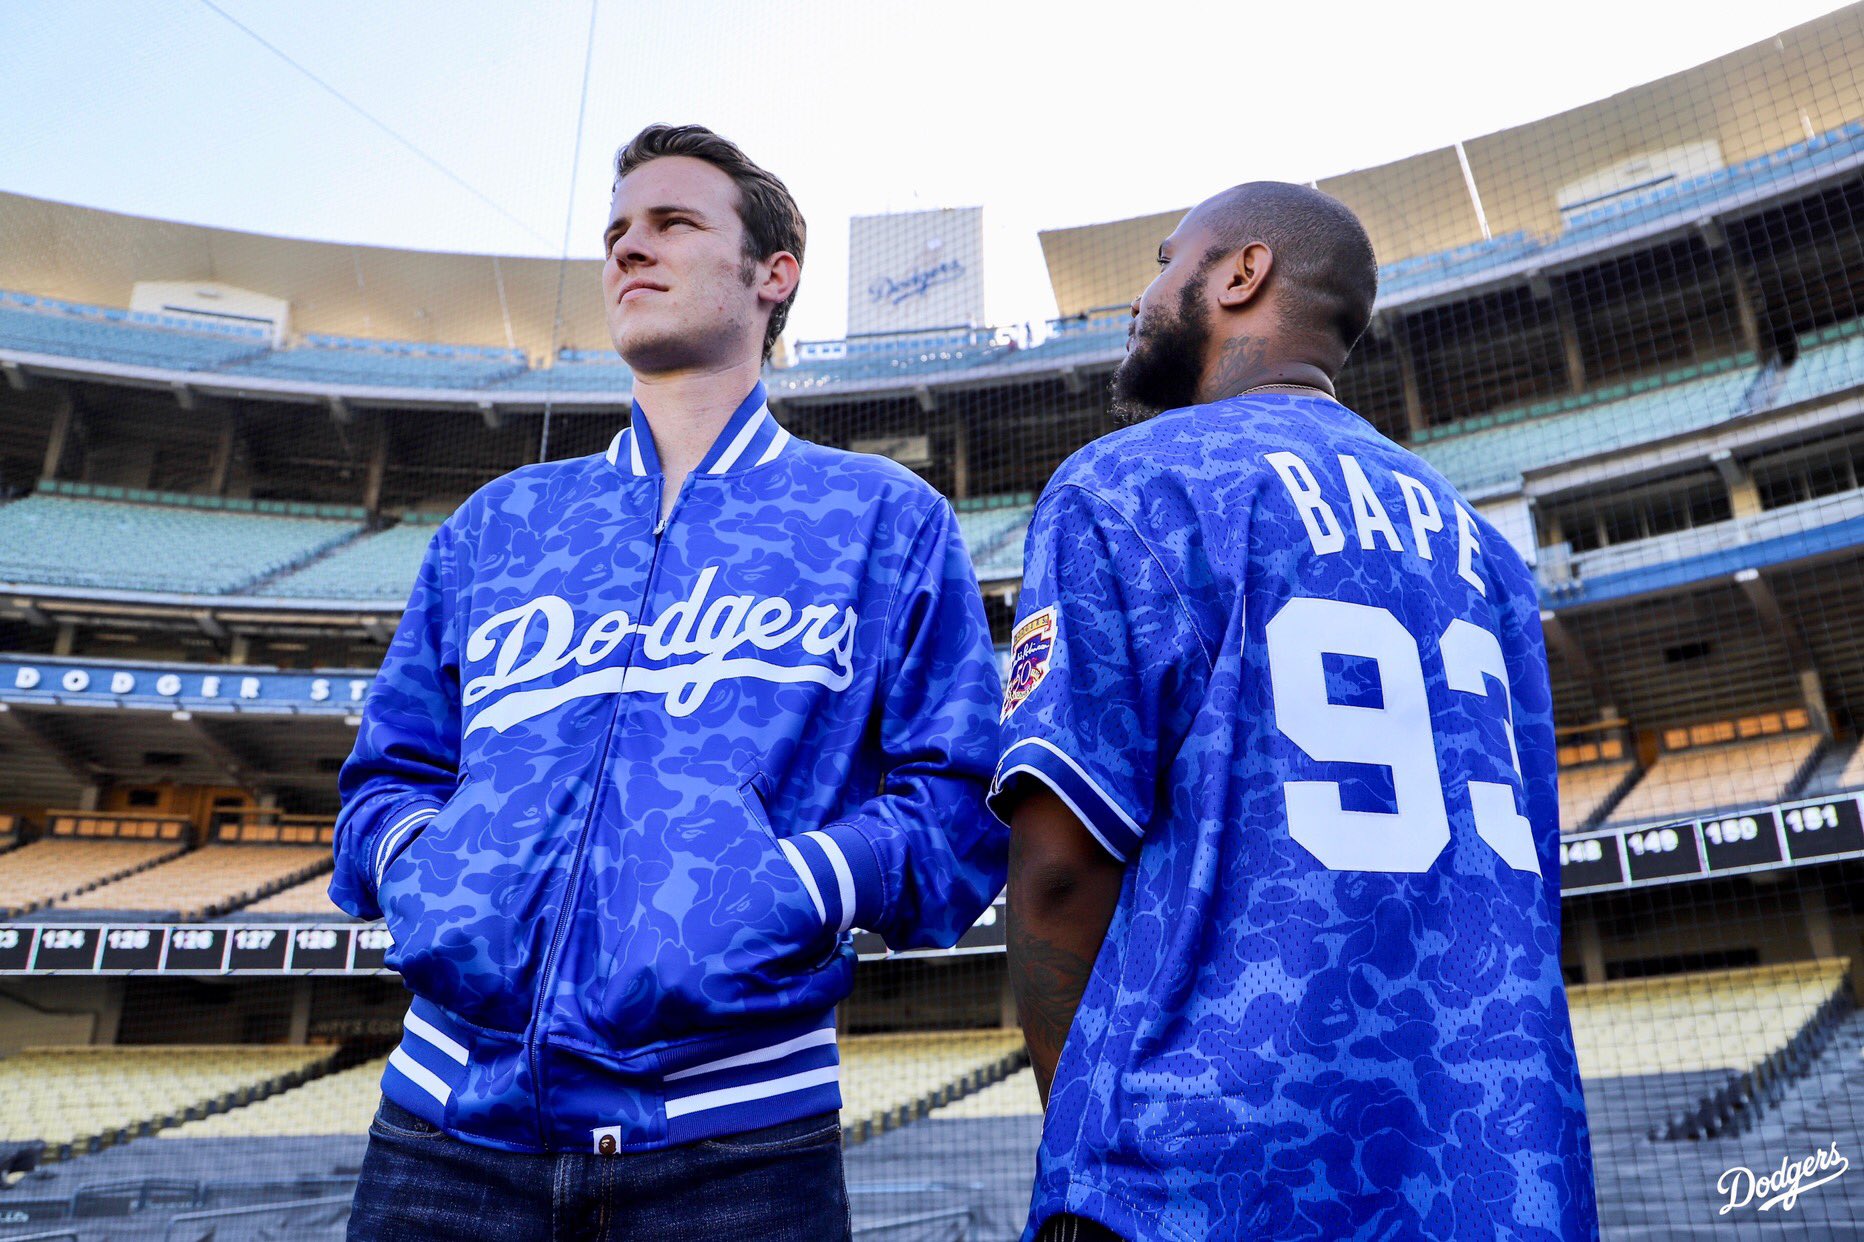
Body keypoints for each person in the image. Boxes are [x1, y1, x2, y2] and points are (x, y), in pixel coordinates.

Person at [332, 123, 1007, 1241]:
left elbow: (957, 806)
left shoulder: (880, 518)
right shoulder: (498, 525)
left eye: (673, 223)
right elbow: (383, 780)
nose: (627, 251)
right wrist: (431, 873)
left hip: (737, 1151)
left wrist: (789, 888)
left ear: (771, 275)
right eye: (614, 233)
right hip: (439, 1135)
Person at [992, 182, 1597, 1241]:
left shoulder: (1125, 487)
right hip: (1495, 1171)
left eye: (1164, 260)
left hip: (1204, 1180)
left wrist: (1084, 1157)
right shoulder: (1490, 557)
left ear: (1241, 273)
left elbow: (1055, 874)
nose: (1142, 294)